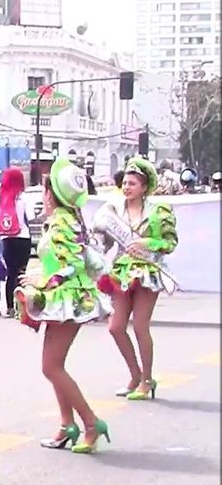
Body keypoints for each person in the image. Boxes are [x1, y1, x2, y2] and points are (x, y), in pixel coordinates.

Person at [16, 157, 113, 453]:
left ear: (51, 194)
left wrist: (43, 284)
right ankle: (66, 425)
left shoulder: (61, 222)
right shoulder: (69, 219)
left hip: (67, 299)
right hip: (69, 298)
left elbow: (70, 265)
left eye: (44, 190)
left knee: (51, 367)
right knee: (54, 365)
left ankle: (90, 422)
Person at [94, 156, 178, 401]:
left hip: (147, 273)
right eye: (125, 183)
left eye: (132, 183)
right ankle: (134, 374)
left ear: (144, 187)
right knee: (116, 327)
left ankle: (147, 379)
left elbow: (170, 243)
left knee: (141, 326)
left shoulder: (158, 212)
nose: (127, 187)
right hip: (121, 272)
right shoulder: (113, 211)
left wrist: (146, 243)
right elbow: (105, 241)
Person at [0, 167, 31, 318]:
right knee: (21, 273)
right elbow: (31, 217)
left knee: (11, 273)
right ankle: (21, 307)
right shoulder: (23, 197)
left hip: (6, 238)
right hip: (23, 237)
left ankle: (9, 308)